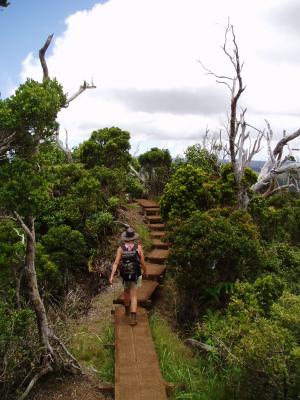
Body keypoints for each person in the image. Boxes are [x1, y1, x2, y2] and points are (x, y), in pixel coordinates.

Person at [109, 227, 147, 326]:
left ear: (125, 238)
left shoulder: (120, 249)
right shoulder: (138, 247)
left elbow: (116, 263)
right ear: (134, 238)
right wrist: (146, 271)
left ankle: (126, 310)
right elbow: (142, 262)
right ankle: (133, 318)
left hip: (124, 274)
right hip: (135, 273)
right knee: (133, 295)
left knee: (126, 292)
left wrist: (112, 276)